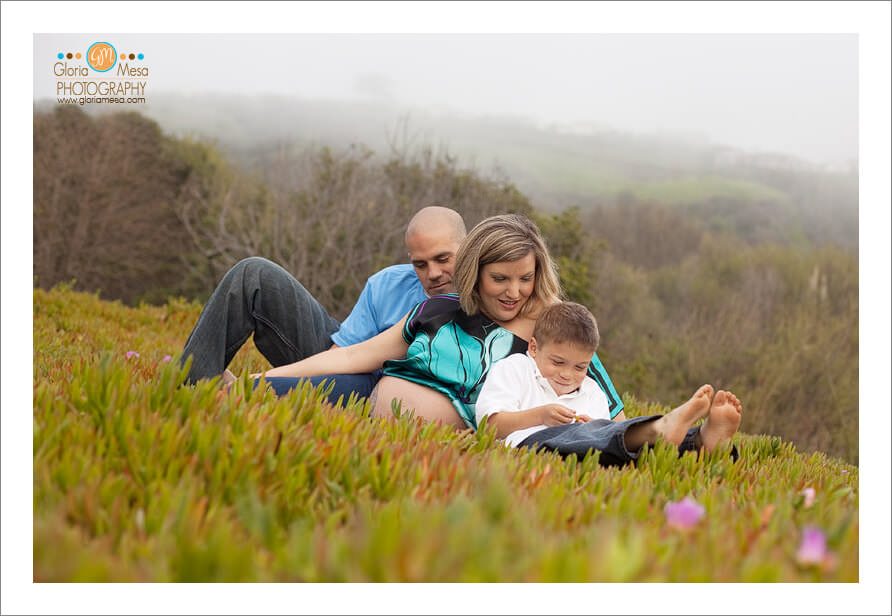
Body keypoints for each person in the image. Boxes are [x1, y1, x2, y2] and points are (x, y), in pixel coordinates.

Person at [254, 214, 624, 429]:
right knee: (249, 396)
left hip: (441, 448)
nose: (514, 291)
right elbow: (351, 357)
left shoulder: (554, 324)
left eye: (525, 279)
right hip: (362, 408)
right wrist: (267, 377)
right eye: (500, 279)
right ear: (474, 272)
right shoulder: (444, 307)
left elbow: (609, 412)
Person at [180, 205, 467, 402]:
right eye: (420, 264)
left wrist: (254, 381)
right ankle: (190, 386)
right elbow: (342, 355)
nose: (432, 273)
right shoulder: (386, 283)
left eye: (443, 259)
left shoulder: (486, 298)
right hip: (348, 367)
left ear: (467, 248)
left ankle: (231, 393)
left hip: (389, 394)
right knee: (253, 273)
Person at [475, 301, 742, 465]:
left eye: (580, 366)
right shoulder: (514, 369)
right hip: (531, 446)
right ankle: (662, 428)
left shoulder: (591, 390)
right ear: (534, 348)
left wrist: (590, 425)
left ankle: (701, 439)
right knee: (605, 437)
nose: (568, 375)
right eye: (558, 362)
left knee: (625, 446)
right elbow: (490, 426)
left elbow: (606, 436)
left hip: (590, 450)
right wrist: (540, 415)